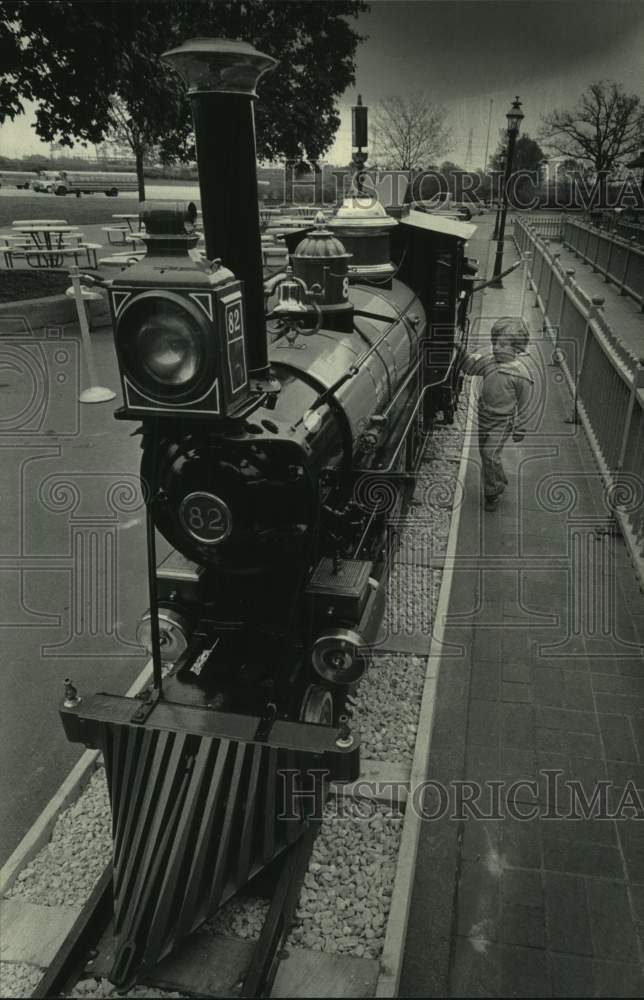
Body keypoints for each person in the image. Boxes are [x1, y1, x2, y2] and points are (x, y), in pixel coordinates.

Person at [461, 317, 534, 511]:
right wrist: (461, 353)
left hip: (503, 422)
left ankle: (492, 492)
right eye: (494, 342)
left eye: (502, 344)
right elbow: (469, 368)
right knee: (487, 455)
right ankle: (499, 478)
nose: (495, 347)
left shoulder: (521, 375)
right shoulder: (489, 362)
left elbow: (524, 404)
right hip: (484, 417)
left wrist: (521, 426)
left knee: (489, 453)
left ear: (517, 348)